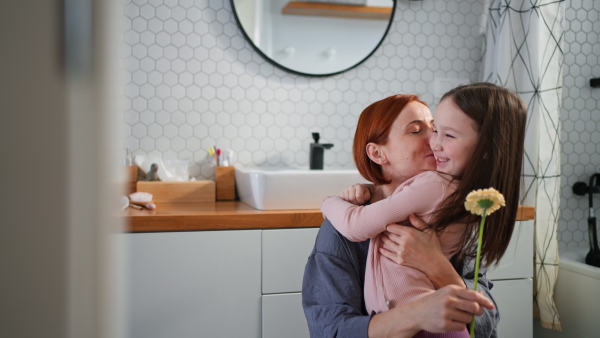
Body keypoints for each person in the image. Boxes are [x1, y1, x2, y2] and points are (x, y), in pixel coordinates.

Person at [302, 83, 527, 338]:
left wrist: (438, 266)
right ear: (377, 153)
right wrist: (416, 314)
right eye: (416, 131)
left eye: (437, 129)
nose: (433, 139)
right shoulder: (340, 228)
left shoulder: (457, 212)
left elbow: (486, 326)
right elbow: (328, 331)